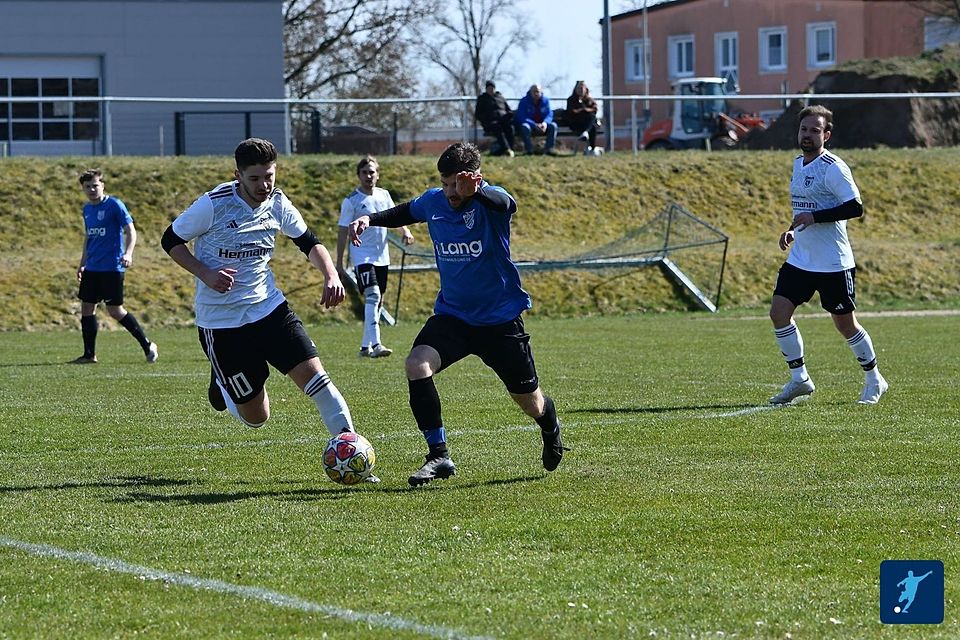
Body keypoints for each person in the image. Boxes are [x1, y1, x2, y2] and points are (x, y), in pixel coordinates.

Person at [348, 142, 568, 487]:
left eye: (457, 184)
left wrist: (477, 191)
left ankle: (549, 423)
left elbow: (507, 204)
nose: (450, 192)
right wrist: (369, 219)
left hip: (500, 321)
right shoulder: (436, 200)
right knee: (416, 365)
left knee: (530, 401)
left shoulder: (490, 200)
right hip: (454, 317)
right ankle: (439, 454)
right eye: (445, 183)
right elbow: (407, 211)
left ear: (474, 178)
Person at [161, 139, 375, 479]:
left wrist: (331, 274)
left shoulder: (277, 203)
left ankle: (353, 454)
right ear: (238, 176)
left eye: (270, 176)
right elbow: (170, 239)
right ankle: (222, 381)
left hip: (270, 310)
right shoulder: (213, 205)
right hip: (222, 322)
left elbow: (309, 241)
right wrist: (206, 272)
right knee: (257, 418)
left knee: (317, 378)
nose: (264, 185)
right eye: (256, 178)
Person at [768, 105, 888, 406]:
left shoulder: (833, 167)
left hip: (833, 262)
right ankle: (800, 379)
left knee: (845, 324)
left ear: (827, 134)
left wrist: (815, 218)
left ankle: (875, 379)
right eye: (804, 129)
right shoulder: (798, 164)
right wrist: (792, 231)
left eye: (815, 130)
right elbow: (804, 212)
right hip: (801, 259)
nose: (807, 135)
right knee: (779, 313)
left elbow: (854, 207)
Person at [73, 169, 158, 365]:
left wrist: (128, 253)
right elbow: (89, 238)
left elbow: (131, 231)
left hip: (112, 267)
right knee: (87, 307)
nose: (92, 189)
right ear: (83, 189)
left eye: (95, 185)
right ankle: (89, 355)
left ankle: (147, 345)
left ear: (102, 185)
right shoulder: (87, 209)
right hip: (92, 268)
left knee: (115, 310)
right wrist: (82, 264)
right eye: (88, 187)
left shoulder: (114, 205)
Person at [336, 155, 415, 358]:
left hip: (382, 257)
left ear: (377, 175)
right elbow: (343, 231)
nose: (368, 176)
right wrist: (338, 263)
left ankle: (365, 346)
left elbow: (393, 217)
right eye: (364, 172)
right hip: (362, 257)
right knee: (373, 295)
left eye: (372, 172)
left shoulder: (384, 195)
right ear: (358, 175)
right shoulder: (351, 201)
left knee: (377, 302)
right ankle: (377, 344)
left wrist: (405, 230)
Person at [474, 80, 516, 157]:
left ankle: (509, 149)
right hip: (490, 122)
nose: (491, 90)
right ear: (486, 89)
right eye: (489, 88)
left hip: (503, 120)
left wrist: (509, 115)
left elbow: (508, 110)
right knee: (497, 127)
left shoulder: (501, 98)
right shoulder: (482, 99)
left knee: (510, 127)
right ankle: (507, 149)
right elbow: (478, 114)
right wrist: (485, 120)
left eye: (492, 88)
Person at [514, 84, 558, 156]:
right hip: (530, 126)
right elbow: (521, 116)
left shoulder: (546, 101)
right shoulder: (524, 101)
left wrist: (545, 123)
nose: (536, 94)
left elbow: (549, 114)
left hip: (543, 126)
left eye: (538, 91)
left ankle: (548, 150)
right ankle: (529, 150)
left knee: (553, 126)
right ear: (530, 92)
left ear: (541, 92)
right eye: (534, 92)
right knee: (525, 127)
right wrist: (534, 124)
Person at [565, 80, 600, 155]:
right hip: (575, 124)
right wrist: (583, 111)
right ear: (575, 89)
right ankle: (589, 143)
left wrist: (585, 110)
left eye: (582, 88)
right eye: (578, 88)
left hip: (587, 124)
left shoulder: (589, 100)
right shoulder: (571, 100)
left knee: (592, 124)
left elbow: (595, 109)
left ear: (585, 89)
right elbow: (571, 112)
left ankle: (591, 149)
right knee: (591, 120)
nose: (580, 90)